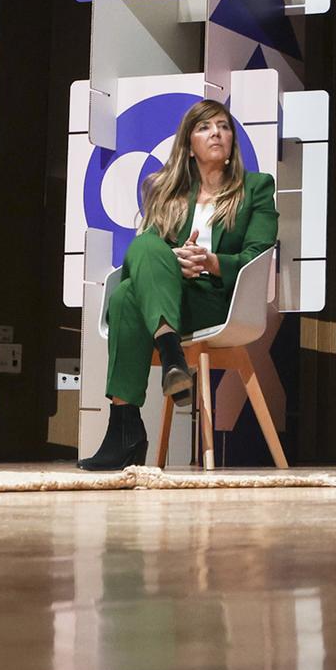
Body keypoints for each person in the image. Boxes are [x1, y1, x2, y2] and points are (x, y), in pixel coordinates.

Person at [81, 99, 278, 470]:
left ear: (232, 139)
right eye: (205, 127)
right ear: (189, 145)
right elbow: (148, 257)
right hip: (172, 296)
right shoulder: (166, 192)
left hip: (218, 299)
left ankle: (125, 432)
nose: (216, 133)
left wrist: (210, 261)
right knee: (139, 262)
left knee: (127, 297)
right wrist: (175, 262)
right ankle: (172, 357)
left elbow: (259, 254)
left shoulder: (255, 188)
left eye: (223, 126)